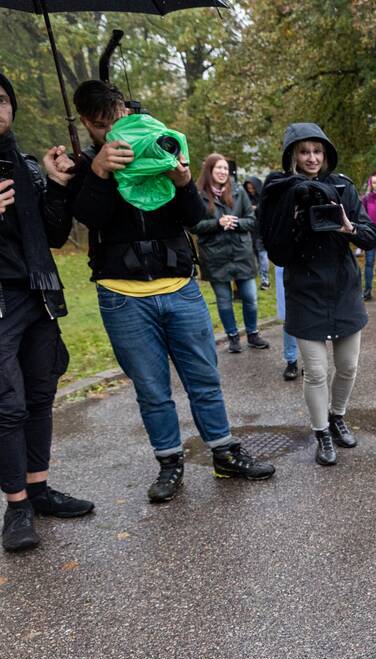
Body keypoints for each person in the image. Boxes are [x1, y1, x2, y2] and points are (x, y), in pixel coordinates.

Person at [68, 80, 274, 503]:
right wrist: (100, 172)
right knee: (151, 389)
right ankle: (169, 462)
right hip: (121, 294)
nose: (115, 132)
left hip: (179, 287)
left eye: (119, 120)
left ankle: (223, 453)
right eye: (103, 127)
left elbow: (196, 217)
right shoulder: (86, 165)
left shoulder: (158, 144)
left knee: (204, 378)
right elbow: (90, 216)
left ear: (127, 109)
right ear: (88, 124)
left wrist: (181, 180)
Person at [0, 71, 95, 551]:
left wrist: (56, 186)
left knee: (40, 394)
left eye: (0, 100)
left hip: (36, 294)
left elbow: (55, 236)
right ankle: (15, 507)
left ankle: (37, 489)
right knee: (6, 404)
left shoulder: (26, 167)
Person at [260, 123, 376, 466]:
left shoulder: (342, 186)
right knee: (315, 372)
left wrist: (348, 226)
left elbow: (369, 236)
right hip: (304, 291)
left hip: (343, 289)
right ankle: (321, 432)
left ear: (325, 154)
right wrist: (295, 218)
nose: (312, 158)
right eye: (304, 151)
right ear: (292, 155)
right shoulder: (280, 191)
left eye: (317, 151)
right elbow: (275, 249)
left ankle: (337, 415)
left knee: (348, 366)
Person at [192, 154, 269, 354]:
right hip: (215, 256)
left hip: (241, 253)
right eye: (218, 168)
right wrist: (217, 224)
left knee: (250, 297)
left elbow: (252, 221)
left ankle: (252, 333)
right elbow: (194, 226)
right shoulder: (198, 194)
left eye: (225, 168)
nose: (223, 172)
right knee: (224, 300)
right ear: (209, 170)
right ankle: (233, 337)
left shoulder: (238, 191)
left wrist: (235, 222)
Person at [242, 176, 270, 290]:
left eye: (252, 188)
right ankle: (254, 280)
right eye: (248, 188)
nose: (250, 190)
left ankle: (265, 280)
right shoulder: (245, 197)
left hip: (261, 232)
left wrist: (256, 208)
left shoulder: (263, 197)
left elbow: (266, 210)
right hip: (249, 232)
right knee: (252, 257)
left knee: (262, 256)